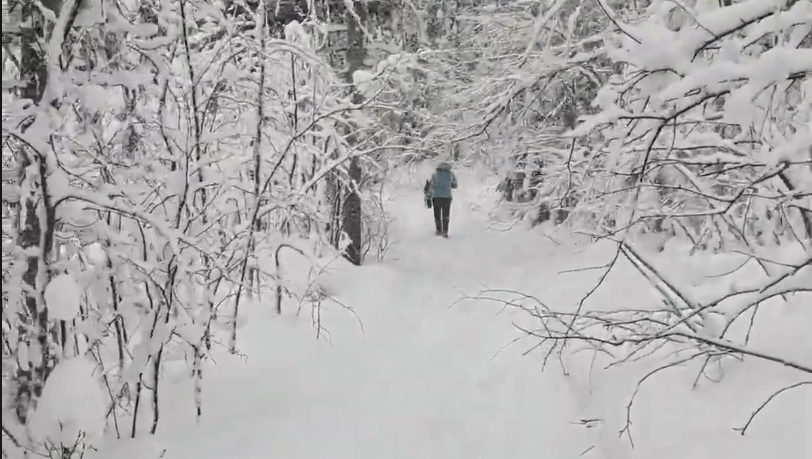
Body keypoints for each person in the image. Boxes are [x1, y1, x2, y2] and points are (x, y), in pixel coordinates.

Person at [424, 161, 458, 237]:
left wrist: (428, 197)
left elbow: (431, 187)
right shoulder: (451, 174)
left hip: (437, 197)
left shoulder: (435, 175)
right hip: (447, 197)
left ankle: (439, 230)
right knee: (446, 214)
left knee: (437, 214)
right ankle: (445, 231)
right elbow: (455, 185)